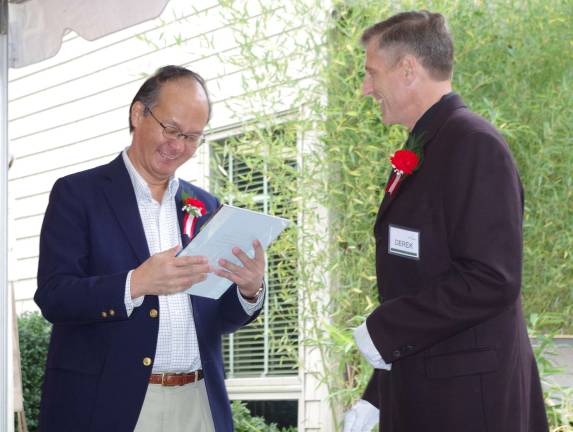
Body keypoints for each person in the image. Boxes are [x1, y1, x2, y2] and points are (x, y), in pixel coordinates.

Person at [343, 11, 548, 432]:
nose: (366, 89)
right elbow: (422, 283)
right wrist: (377, 394)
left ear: (407, 70)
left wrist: (384, 328)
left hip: (470, 406)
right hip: (426, 394)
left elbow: (492, 278)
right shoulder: (429, 144)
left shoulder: (473, 144)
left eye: (371, 74)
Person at [35, 65, 266, 432]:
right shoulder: (78, 194)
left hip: (198, 402)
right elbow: (54, 296)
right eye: (171, 129)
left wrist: (249, 289)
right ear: (138, 113)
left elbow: (216, 317)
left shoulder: (205, 206)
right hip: (112, 405)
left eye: (192, 137)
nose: (178, 146)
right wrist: (135, 283)